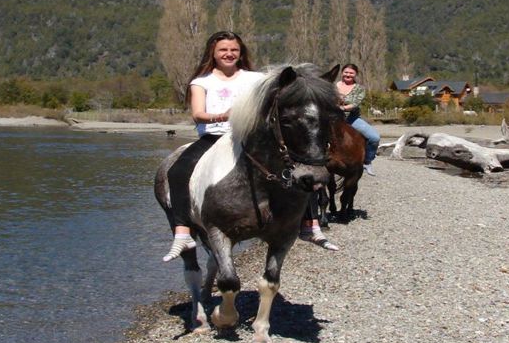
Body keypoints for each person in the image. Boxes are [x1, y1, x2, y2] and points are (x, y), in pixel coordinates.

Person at [163, 31, 338, 261]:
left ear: (241, 52)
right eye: (223, 50)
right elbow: (198, 114)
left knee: (301, 168)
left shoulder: (255, 78)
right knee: (178, 170)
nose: (229, 54)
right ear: (213, 53)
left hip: (250, 139)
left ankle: (309, 223)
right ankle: (183, 231)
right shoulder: (201, 82)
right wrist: (224, 116)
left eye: (234, 49)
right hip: (214, 137)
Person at [335, 64, 380, 176]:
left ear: (355, 75)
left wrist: (342, 107)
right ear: (342, 73)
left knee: (374, 137)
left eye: (351, 73)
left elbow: (355, 104)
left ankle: (367, 161)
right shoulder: (332, 86)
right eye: (346, 72)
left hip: (352, 119)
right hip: (333, 118)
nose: (348, 75)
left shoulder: (360, 89)